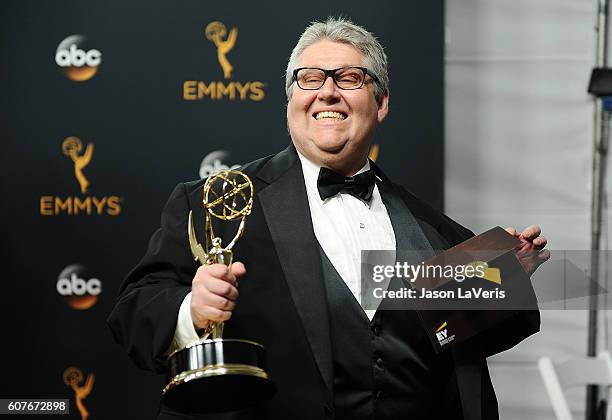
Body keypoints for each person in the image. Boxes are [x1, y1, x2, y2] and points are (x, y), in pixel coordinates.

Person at [107, 17, 549, 420]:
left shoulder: (432, 227)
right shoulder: (214, 205)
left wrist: (501, 278)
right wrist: (192, 310)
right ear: (291, 101)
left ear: (381, 103)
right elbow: (132, 315)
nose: (327, 91)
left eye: (350, 78)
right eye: (310, 79)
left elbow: (464, 343)